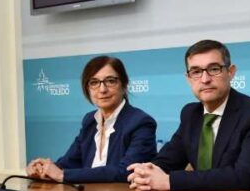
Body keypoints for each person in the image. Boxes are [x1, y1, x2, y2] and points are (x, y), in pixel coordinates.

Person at [127, 40, 250, 191]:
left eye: (214, 69)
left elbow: (241, 176)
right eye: (196, 71)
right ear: (188, 78)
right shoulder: (190, 114)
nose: (205, 79)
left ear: (231, 72)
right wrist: (147, 173)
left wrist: (169, 181)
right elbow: (168, 160)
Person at [26, 56, 156, 183]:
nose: (102, 89)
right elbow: (68, 163)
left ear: (124, 84)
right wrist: (43, 169)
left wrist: (61, 175)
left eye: (110, 81)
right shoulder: (90, 121)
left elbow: (126, 171)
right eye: (94, 83)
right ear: (87, 88)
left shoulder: (141, 122)